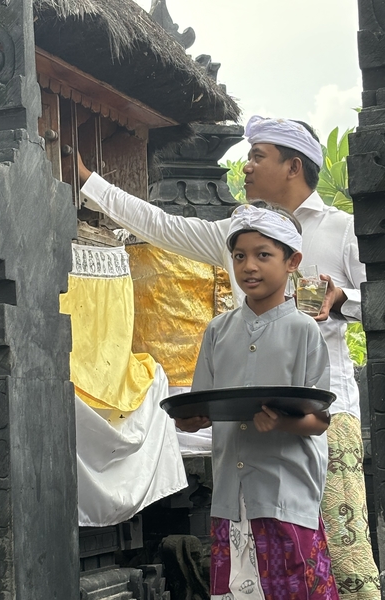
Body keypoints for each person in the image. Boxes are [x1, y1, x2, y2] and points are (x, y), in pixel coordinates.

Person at [78, 115, 380, 600]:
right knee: (248, 561)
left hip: (327, 413)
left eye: (258, 156)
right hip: (244, 425)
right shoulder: (235, 233)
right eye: (242, 257)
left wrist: (343, 299)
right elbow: (162, 226)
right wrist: (89, 182)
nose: (247, 167)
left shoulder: (341, 230)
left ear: (293, 166)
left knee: (342, 559)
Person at [174, 200, 336, 600]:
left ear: (292, 261)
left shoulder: (303, 331)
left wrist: (281, 422)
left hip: (285, 494)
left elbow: (319, 420)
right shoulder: (218, 331)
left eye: (263, 255)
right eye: (240, 256)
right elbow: (201, 406)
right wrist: (189, 421)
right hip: (231, 496)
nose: (249, 266)